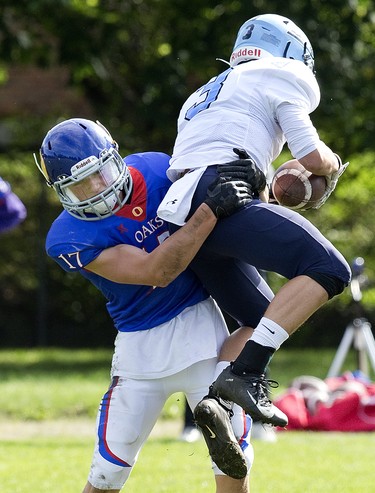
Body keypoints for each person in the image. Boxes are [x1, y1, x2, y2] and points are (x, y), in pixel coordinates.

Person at [157, 12, 351, 463]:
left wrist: (267, 185)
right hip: (221, 194)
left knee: (262, 316)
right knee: (329, 269)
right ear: (292, 54)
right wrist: (331, 164)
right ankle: (245, 375)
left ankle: (215, 404)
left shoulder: (204, 93)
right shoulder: (283, 72)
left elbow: (214, 153)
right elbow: (309, 152)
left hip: (183, 212)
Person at [34, 118, 260, 492]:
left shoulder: (157, 169)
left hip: (200, 328)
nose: (97, 190)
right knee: (106, 474)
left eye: (100, 174)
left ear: (114, 158)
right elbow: (158, 271)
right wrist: (211, 208)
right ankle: (226, 393)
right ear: (61, 192)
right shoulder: (67, 237)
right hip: (142, 350)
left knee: (234, 456)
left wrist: (249, 181)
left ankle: (232, 391)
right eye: (80, 185)